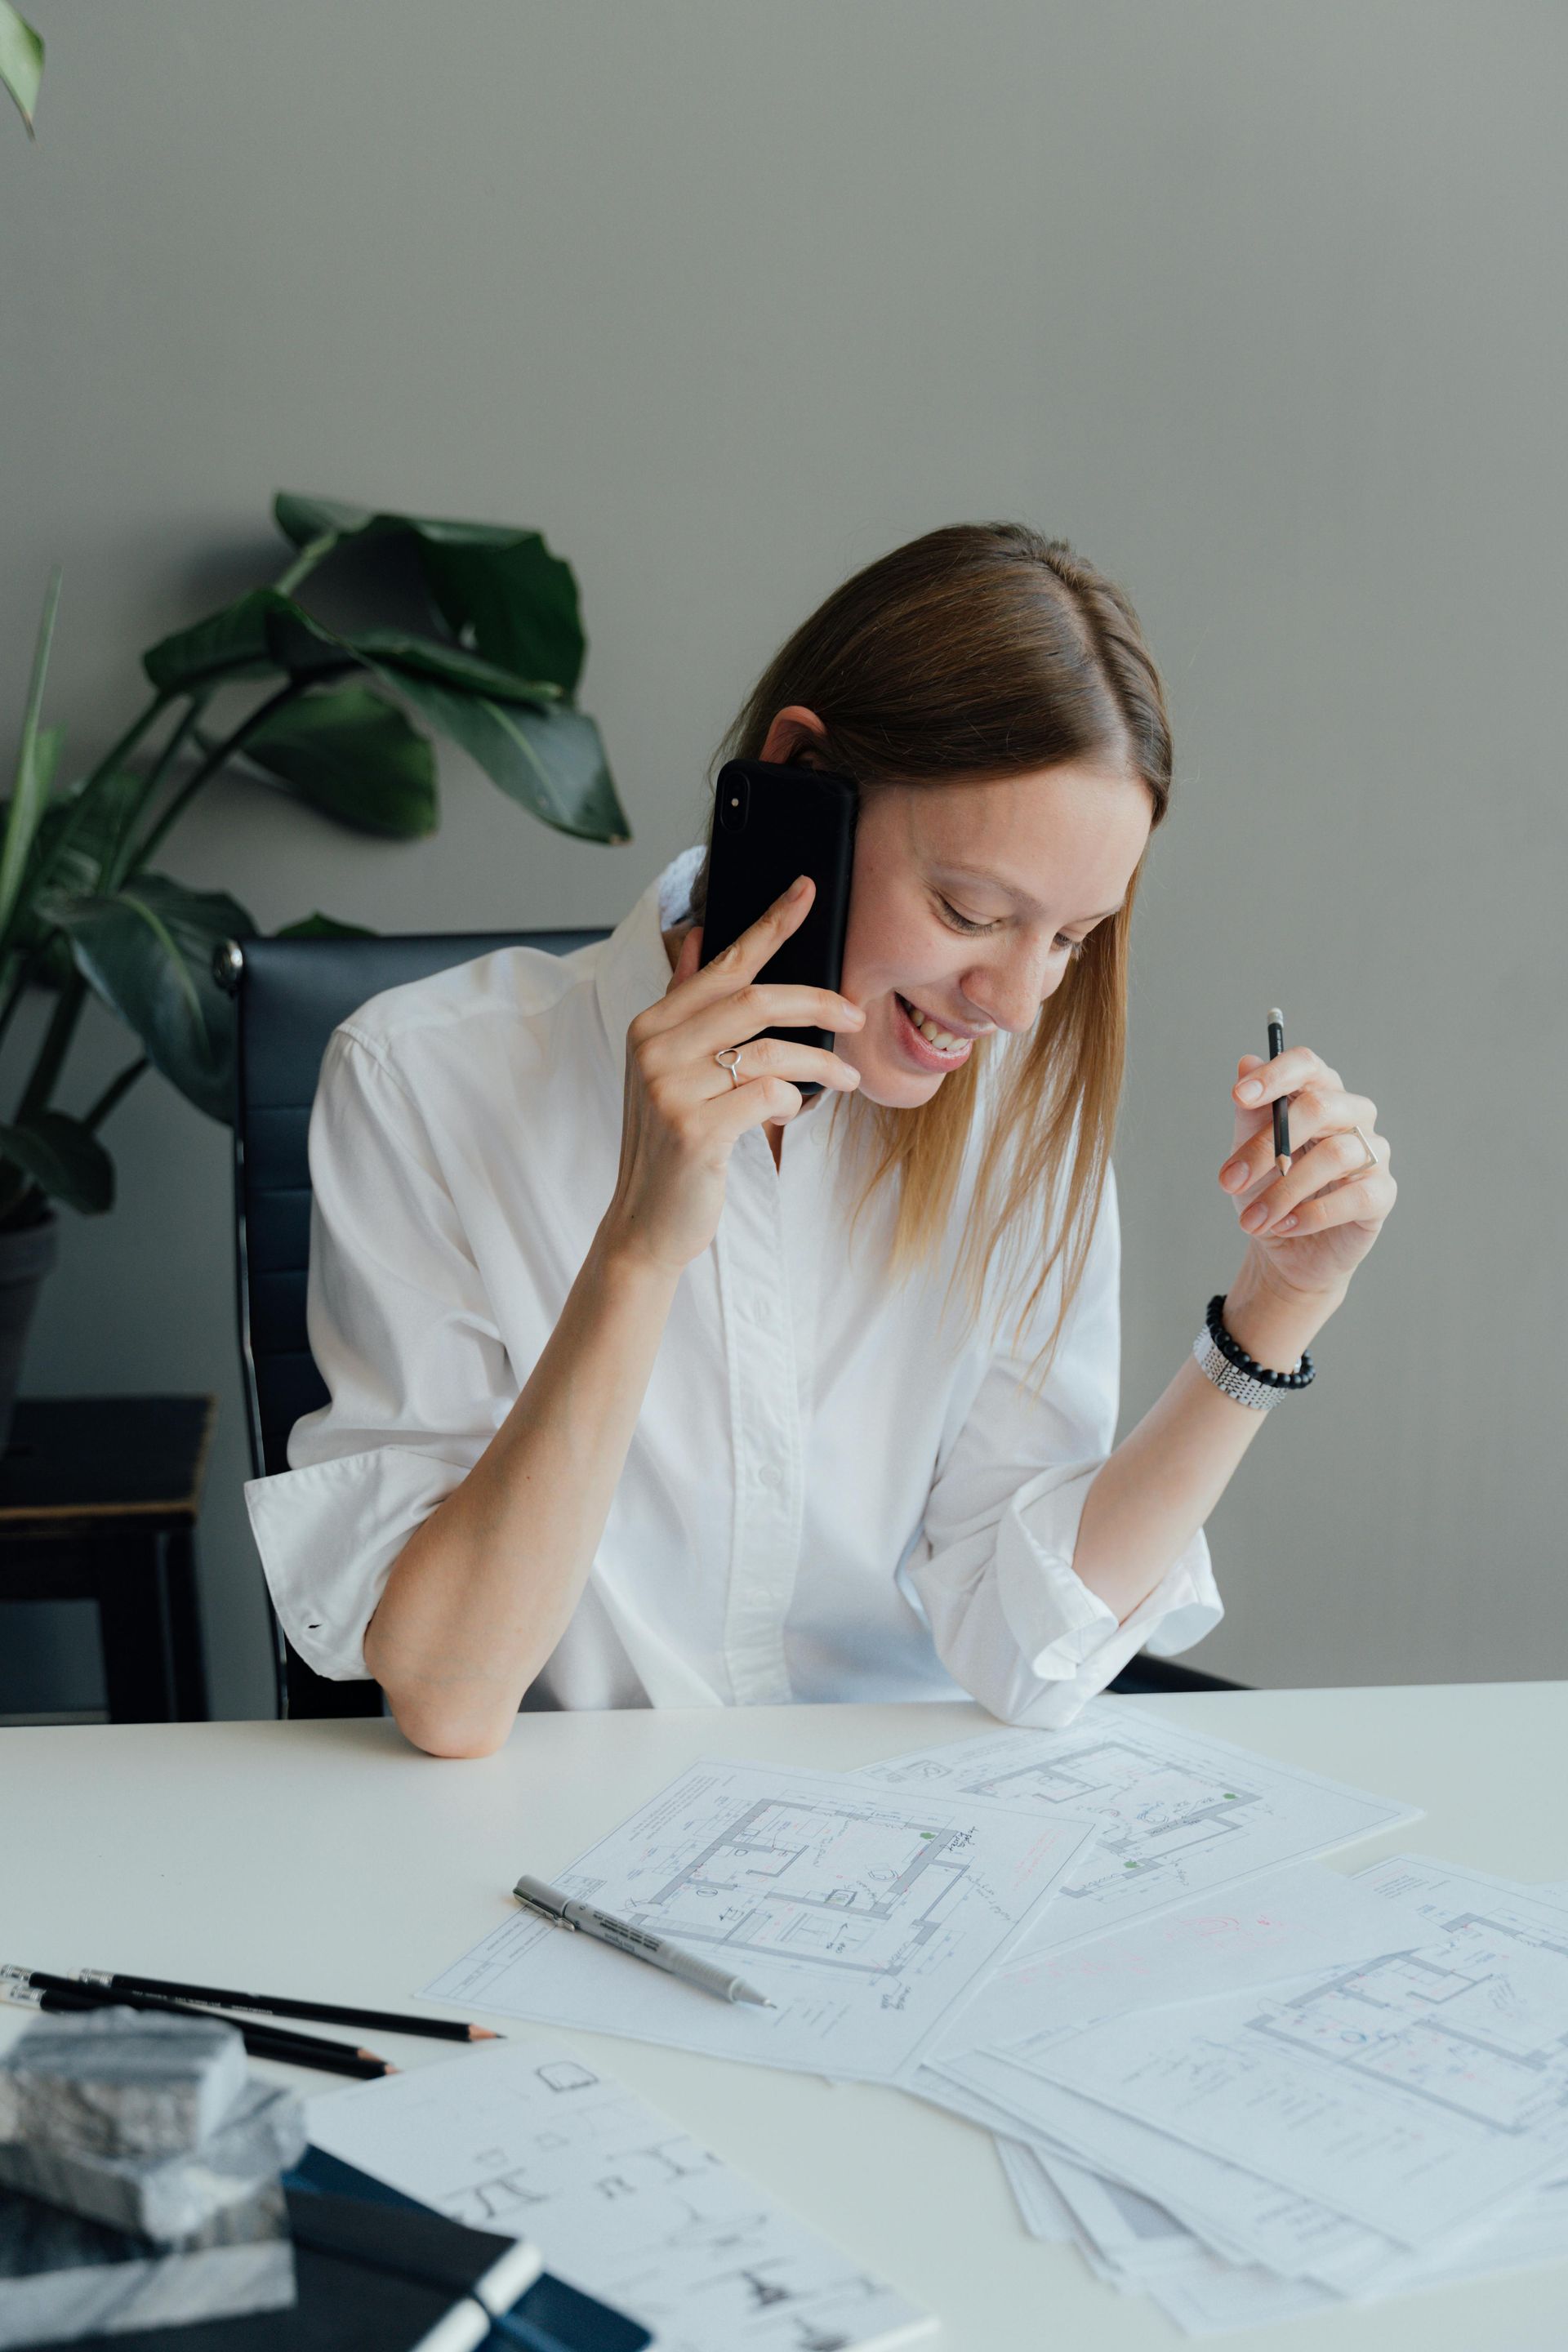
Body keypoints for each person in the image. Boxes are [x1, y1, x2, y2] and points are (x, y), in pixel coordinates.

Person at [246, 523, 1396, 1759]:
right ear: (801, 778)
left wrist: (1275, 1309)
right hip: (544, 1845)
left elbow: (1026, 1645)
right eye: (971, 910)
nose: (1013, 1003)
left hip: (898, 1844)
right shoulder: (421, 1080)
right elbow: (451, 1696)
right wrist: (640, 1246)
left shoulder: (1012, 1113)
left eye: (1069, 939)